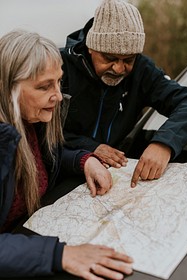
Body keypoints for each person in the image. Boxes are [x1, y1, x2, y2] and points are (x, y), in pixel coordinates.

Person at [0, 30, 133, 279]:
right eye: (44, 86)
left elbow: (48, 158)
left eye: (59, 82)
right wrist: (60, 255)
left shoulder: (31, 121)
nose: (59, 96)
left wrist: (85, 161)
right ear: (6, 87)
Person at [60, 0, 187, 187]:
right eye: (109, 58)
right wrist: (91, 148)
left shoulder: (142, 70)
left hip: (114, 177)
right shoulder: (58, 68)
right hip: (62, 174)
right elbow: (40, 134)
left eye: (128, 59)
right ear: (91, 47)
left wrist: (164, 143)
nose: (119, 69)